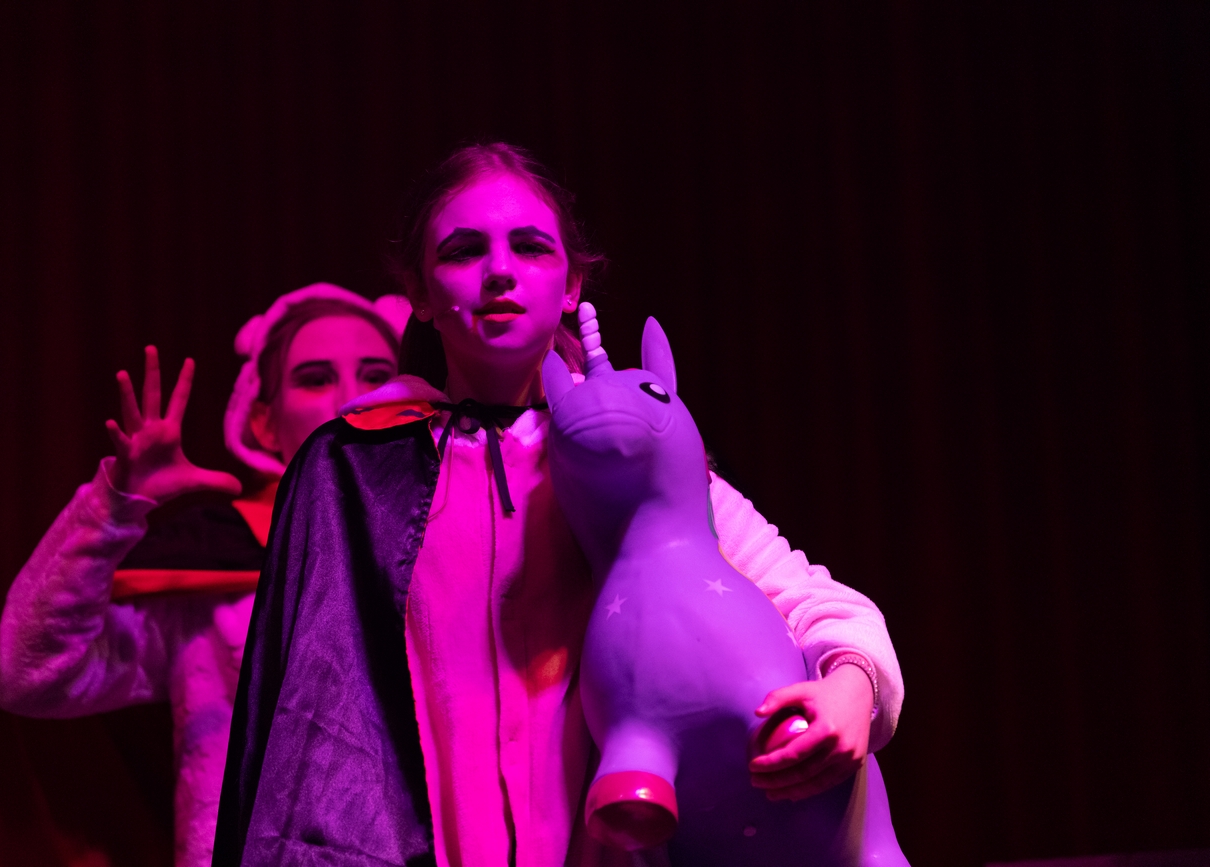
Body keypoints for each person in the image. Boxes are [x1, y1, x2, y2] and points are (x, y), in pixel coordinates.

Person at [213, 144, 903, 867]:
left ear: (572, 284)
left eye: (531, 247)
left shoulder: (631, 456)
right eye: (464, 250)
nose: (500, 271)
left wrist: (852, 687)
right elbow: (308, 719)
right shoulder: (355, 468)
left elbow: (816, 601)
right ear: (418, 292)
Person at [0, 284, 408, 867]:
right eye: (315, 379)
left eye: (377, 376)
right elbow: (27, 676)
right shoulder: (214, 568)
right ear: (264, 423)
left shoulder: (461, 536)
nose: (351, 400)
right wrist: (111, 510)